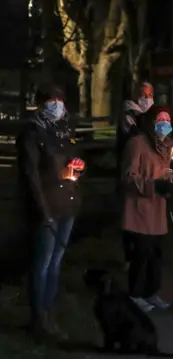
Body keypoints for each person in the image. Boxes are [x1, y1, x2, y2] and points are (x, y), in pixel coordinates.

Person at [16, 83, 85, 339]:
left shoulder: (63, 130)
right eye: (51, 99)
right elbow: (30, 175)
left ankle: (50, 313)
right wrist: (43, 211)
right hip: (47, 207)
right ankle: (39, 319)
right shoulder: (32, 133)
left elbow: (74, 157)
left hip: (66, 203)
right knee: (42, 263)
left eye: (60, 98)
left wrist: (78, 165)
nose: (56, 103)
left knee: (55, 262)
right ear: (41, 102)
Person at [120, 107, 173, 312]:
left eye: (167, 119)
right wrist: (152, 185)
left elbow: (167, 171)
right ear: (151, 121)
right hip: (140, 209)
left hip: (157, 209)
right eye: (160, 119)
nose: (164, 123)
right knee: (141, 254)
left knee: (156, 255)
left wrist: (169, 184)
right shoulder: (137, 144)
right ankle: (135, 294)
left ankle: (151, 293)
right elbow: (128, 176)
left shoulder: (167, 146)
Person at [117, 81, 154, 270]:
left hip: (145, 171)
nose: (147, 99)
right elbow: (135, 138)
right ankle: (130, 257)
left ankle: (141, 252)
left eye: (150, 95)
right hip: (130, 170)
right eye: (144, 94)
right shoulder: (129, 115)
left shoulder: (146, 116)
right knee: (130, 213)